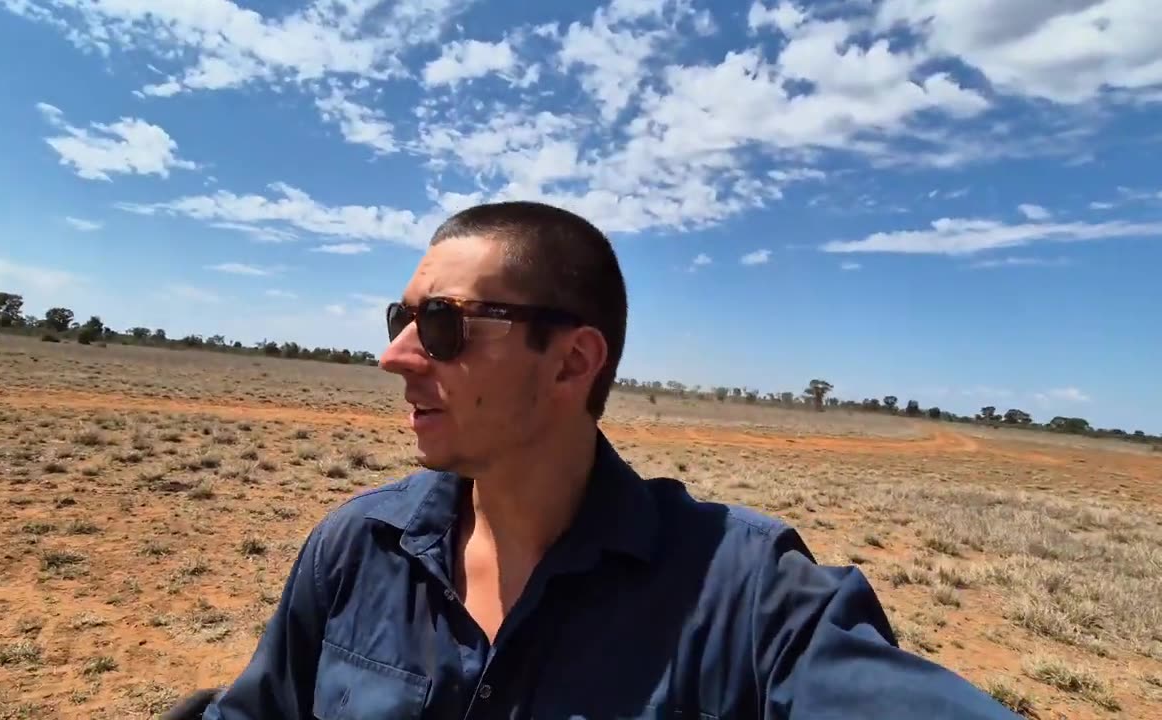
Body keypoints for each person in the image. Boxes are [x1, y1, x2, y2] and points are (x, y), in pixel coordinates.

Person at [171, 201, 1019, 719]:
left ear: (572, 363)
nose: (396, 356)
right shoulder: (357, 548)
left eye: (442, 326)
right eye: (400, 317)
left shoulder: (747, 601)